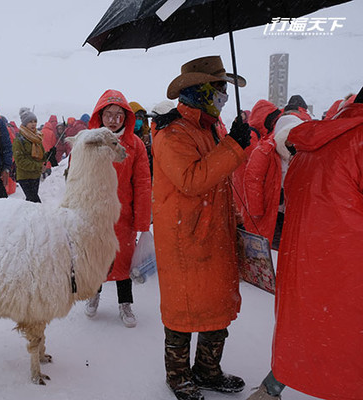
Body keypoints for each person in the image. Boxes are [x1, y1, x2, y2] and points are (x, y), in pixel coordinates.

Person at [248, 87, 363, 400]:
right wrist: (257, 213)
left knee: (308, 330)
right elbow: (253, 180)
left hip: (308, 261)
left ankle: (271, 387)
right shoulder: (357, 140)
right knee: (345, 342)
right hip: (347, 266)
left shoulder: (315, 141)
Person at [151, 55, 251, 400]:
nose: (223, 94)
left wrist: (235, 222)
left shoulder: (210, 128)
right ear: (200, 91)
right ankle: (177, 375)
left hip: (213, 234)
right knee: (184, 308)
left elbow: (219, 182)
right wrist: (234, 145)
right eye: (218, 88)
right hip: (184, 237)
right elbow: (192, 180)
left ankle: (208, 370)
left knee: (216, 305)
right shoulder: (172, 132)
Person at [83, 89, 151, 328]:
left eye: (118, 115)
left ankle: (125, 303)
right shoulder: (88, 142)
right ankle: (94, 294)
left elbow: (142, 183)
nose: (113, 119)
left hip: (124, 215)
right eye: (108, 114)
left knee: (124, 262)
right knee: (97, 259)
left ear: (126, 117)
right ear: (100, 116)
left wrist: (142, 221)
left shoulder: (135, 145)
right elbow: (76, 178)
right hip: (96, 215)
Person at [243, 95, 312, 248]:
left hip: (288, 211)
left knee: (285, 245)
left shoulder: (299, 153)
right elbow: (253, 179)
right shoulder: (265, 150)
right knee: (272, 244)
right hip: (271, 209)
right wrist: (256, 210)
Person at [12, 108, 51, 203]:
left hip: (35, 175)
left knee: (30, 202)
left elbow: (40, 156)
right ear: (25, 123)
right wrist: (38, 166)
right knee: (35, 201)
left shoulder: (37, 138)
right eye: (30, 122)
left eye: (35, 121)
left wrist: (49, 154)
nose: (33, 124)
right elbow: (20, 161)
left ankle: (27, 217)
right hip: (24, 176)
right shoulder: (19, 140)